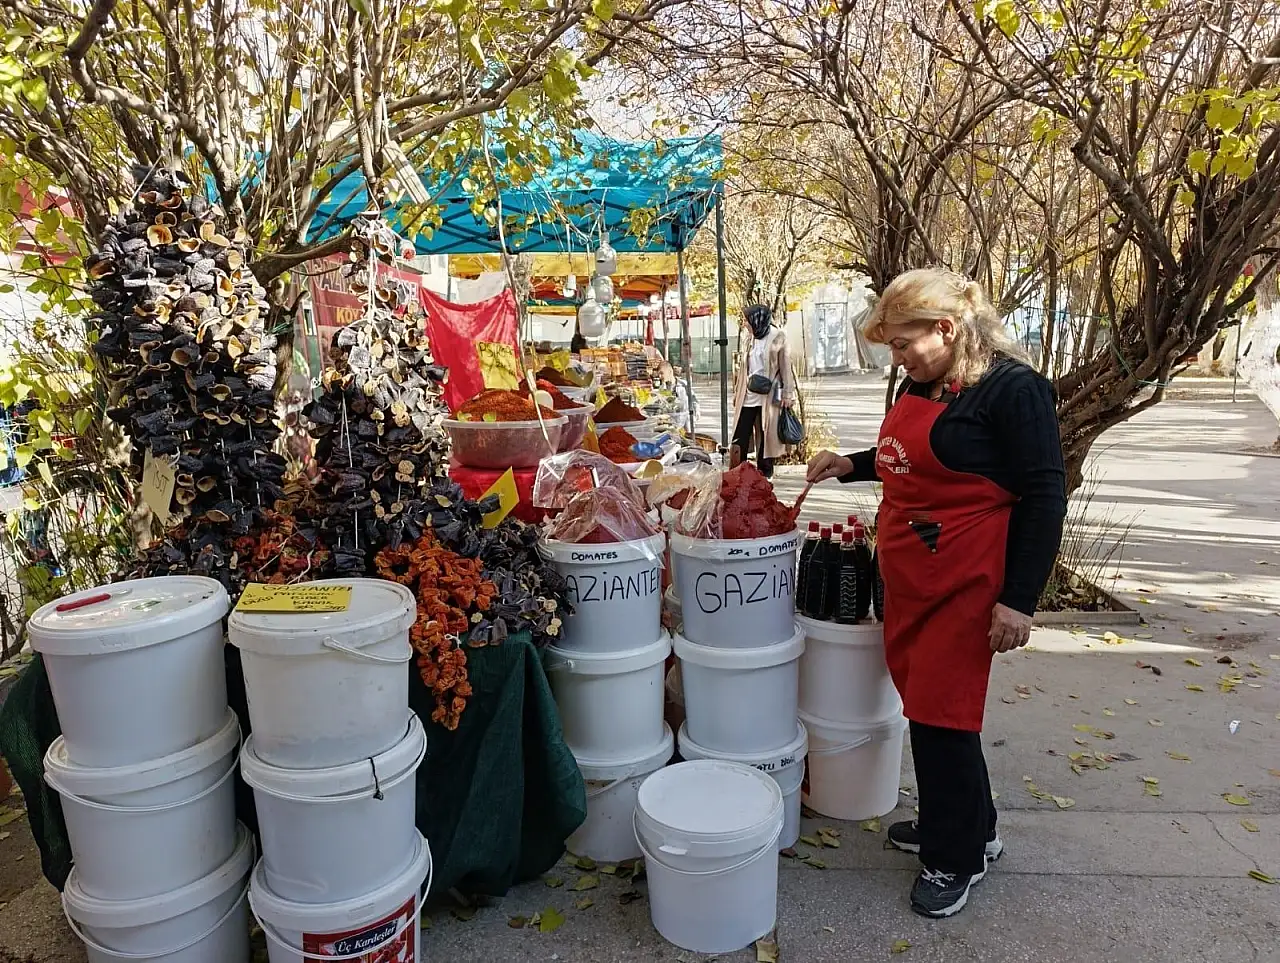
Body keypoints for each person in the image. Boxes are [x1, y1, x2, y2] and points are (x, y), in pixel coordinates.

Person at [806, 268, 1067, 919]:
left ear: (947, 328)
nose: (896, 359)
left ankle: (956, 857)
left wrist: (1019, 600)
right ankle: (974, 825)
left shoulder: (1013, 389)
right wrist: (852, 463)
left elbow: (1044, 495)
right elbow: (907, 457)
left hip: (966, 584)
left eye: (901, 343)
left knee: (941, 717)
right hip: (915, 580)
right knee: (931, 710)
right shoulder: (927, 380)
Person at [730, 304, 794, 478]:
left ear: (757, 320)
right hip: (748, 393)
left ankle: (764, 476)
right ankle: (738, 472)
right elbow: (744, 369)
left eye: (747, 320)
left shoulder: (778, 336)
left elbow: (786, 368)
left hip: (769, 395)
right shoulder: (749, 338)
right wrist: (737, 393)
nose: (745, 324)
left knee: (766, 436)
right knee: (740, 434)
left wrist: (788, 394)